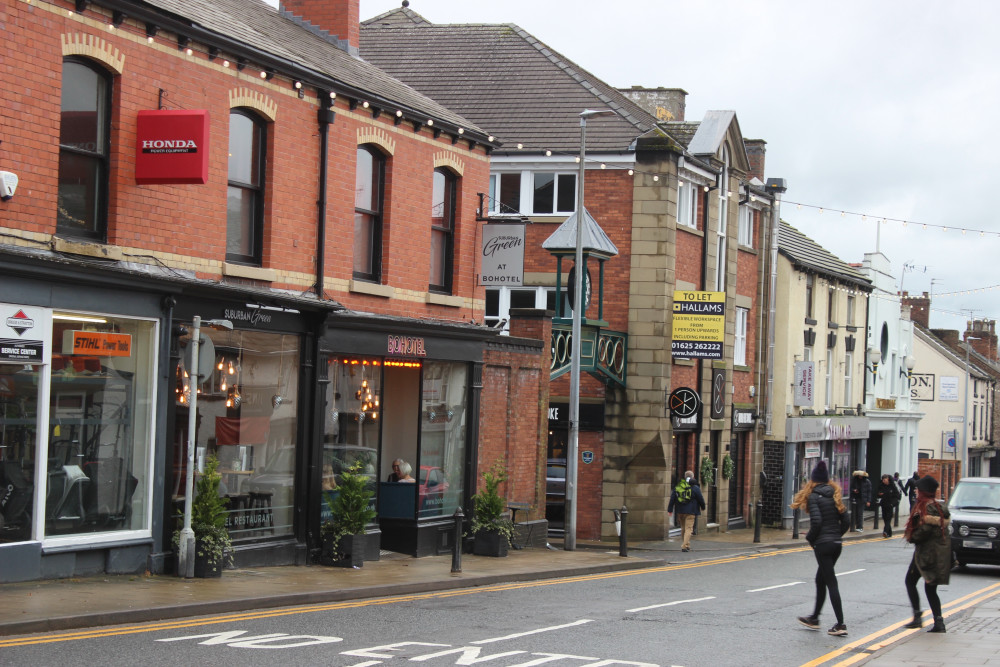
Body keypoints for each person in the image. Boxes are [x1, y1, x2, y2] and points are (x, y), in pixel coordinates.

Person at [793, 460, 850, 637]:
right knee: (821, 579)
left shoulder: (813, 496)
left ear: (813, 481)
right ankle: (814, 618)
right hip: (836, 544)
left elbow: (816, 523)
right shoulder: (835, 493)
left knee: (831, 582)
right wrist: (836, 536)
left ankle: (841, 624)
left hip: (823, 545)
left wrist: (811, 538)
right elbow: (846, 521)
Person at [902, 475, 951, 633]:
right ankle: (939, 622)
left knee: (910, 581)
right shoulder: (937, 506)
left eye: (918, 489)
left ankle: (917, 617)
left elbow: (924, 530)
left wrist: (912, 537)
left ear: (924, 492)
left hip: (926, 554)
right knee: (930, 588)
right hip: (936, 554)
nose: (915, 491)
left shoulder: (925, 507)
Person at [667, 470, 706, 553]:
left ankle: (687, 544)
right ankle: (684, 546)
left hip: (680, 511)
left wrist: (670, 510)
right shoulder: (695, 487)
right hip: (691, 512)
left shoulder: (679, 486)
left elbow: (672, 498)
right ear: (693, 477)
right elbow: (700, 499)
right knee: (689, 529)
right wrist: (703, 507)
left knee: (683, 528)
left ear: (685, 477)